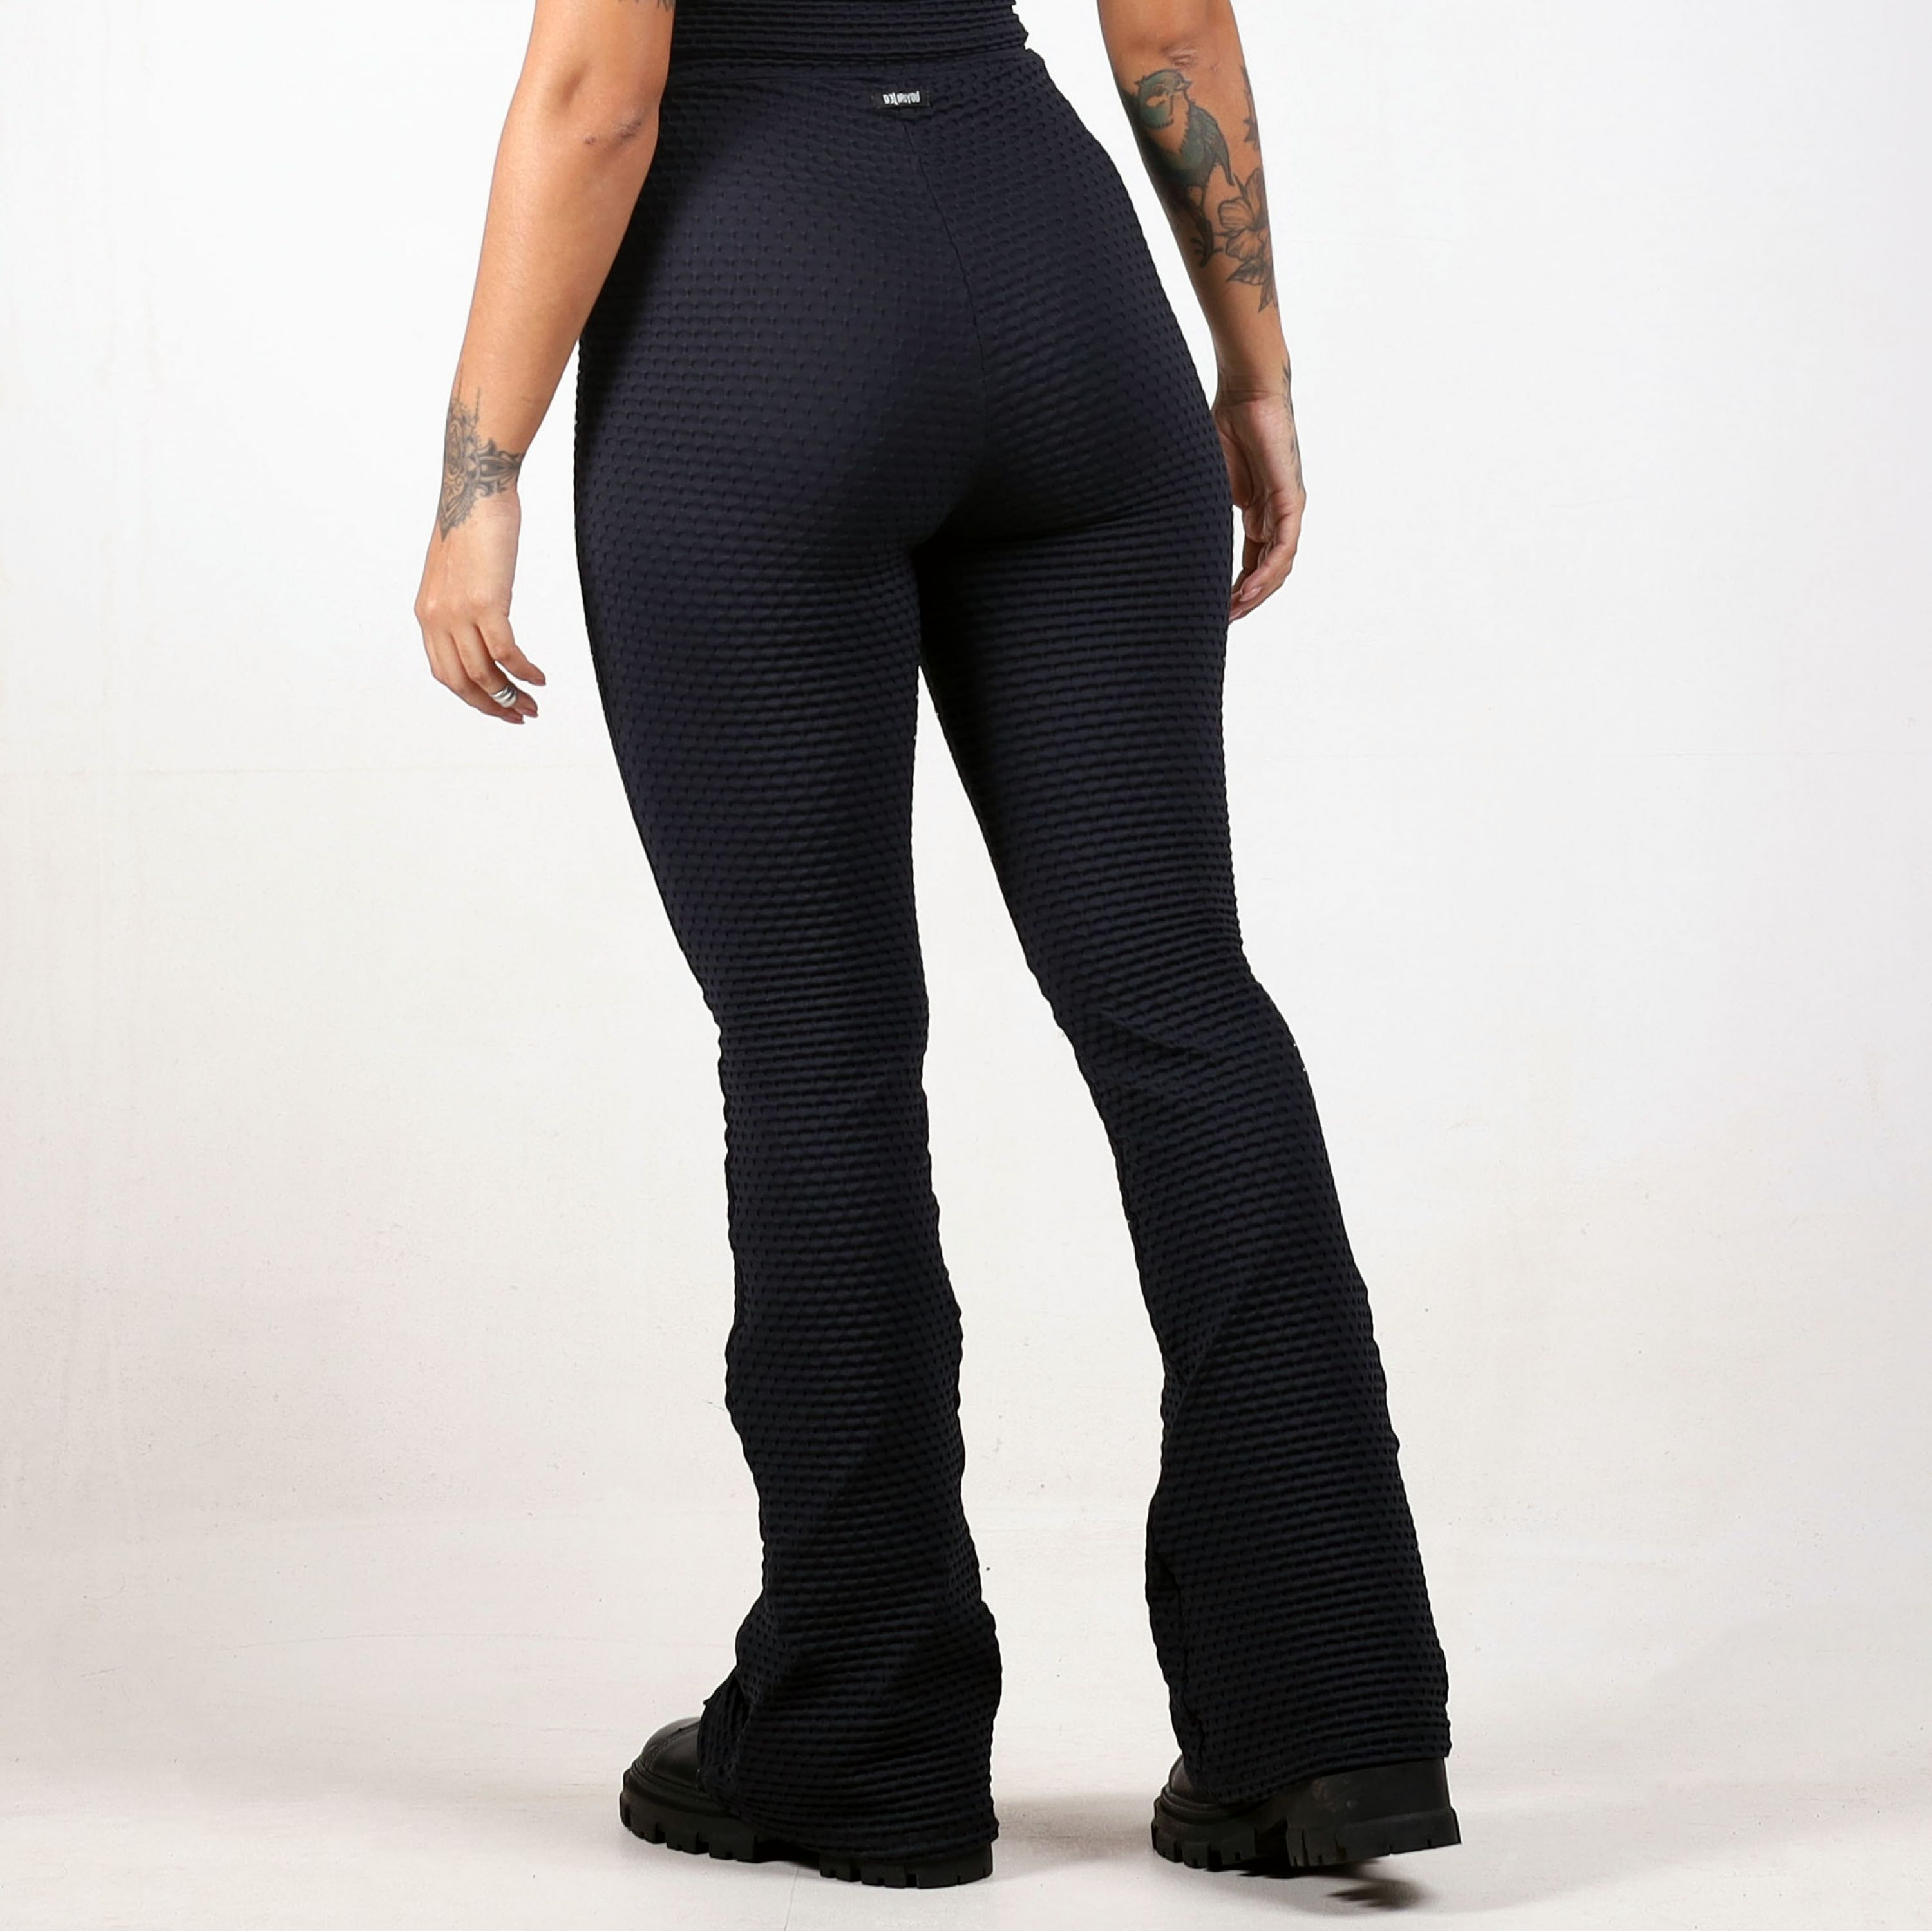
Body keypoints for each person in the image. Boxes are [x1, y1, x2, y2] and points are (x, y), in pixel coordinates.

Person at [412, 0, 1457, 1893]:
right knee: (1179, 1002)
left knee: (816, 1050)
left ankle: (864, 1736)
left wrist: (478, 483)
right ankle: (1331, 1716)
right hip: (1068, 304)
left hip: (761, 321)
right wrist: (1254, 365)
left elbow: (595, 95)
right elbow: (1174, 21)